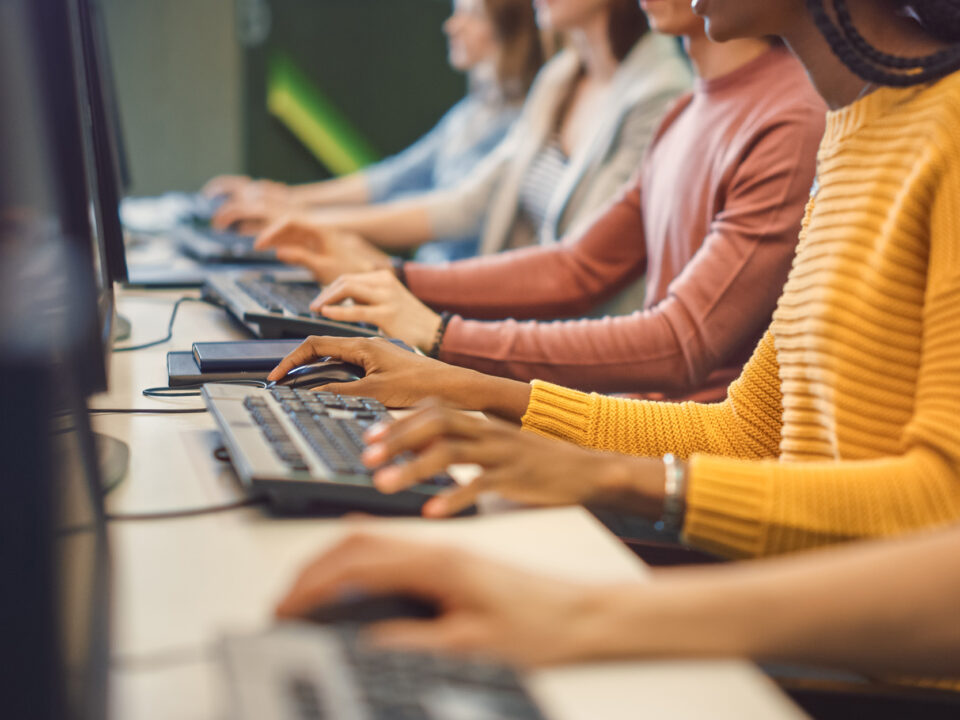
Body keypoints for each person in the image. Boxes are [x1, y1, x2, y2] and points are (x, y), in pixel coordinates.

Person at [269, 0, 960, 560]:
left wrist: (609, 475)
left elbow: (941, 507)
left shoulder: (937, 131)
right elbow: (750, 431)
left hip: (869, 653)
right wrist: (465, 386)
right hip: (804, 585)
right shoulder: (852, 130)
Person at [259, 0, 826, 403]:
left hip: (677, 446)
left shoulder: (786, 118)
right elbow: (577, 264)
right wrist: (397, 279)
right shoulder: (689, 110)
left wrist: (442, 336)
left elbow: (681, 344)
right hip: (630, 419)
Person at [246, 0, 692, 307]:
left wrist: (396, 275)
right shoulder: (561, 76)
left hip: (574, 357)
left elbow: (577, 269)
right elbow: (468, 201)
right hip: (514, 319)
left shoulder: (659, 93)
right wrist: (307, 223)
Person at [275, 525, 960, 678]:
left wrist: (584, 614)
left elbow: (934, 502)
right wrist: (520, 412)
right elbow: (752, 424)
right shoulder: (840, 152)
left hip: (882, 669)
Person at [205, 0, 544, 262]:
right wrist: (283, 197)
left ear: (509, 27)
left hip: (454, 295)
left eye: (472, 15)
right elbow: (394, 178)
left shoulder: (520, 121)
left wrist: (303, 219)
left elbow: (454, 211)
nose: (452, 25)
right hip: (430, 275)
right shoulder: (473, 111)